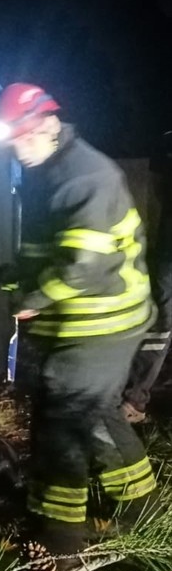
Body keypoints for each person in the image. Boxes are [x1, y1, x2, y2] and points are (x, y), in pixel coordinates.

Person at [0, 84, 158, 555]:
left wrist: (34, 298)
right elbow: (52, 248)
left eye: (22, 138)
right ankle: (144, 508)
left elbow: (83, 264)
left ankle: (60, 541)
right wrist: (19, 274)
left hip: (103, 321)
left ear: (47, 124)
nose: (17, 150)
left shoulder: (86, 176)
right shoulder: (48, 170)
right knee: (95, 410)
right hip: (89, 319)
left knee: (62, 416)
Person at [122, 130, 172, 423]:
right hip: (169, 249)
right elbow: (156, 189)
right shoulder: (165, 142)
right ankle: (133, 400)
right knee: (161, 323)